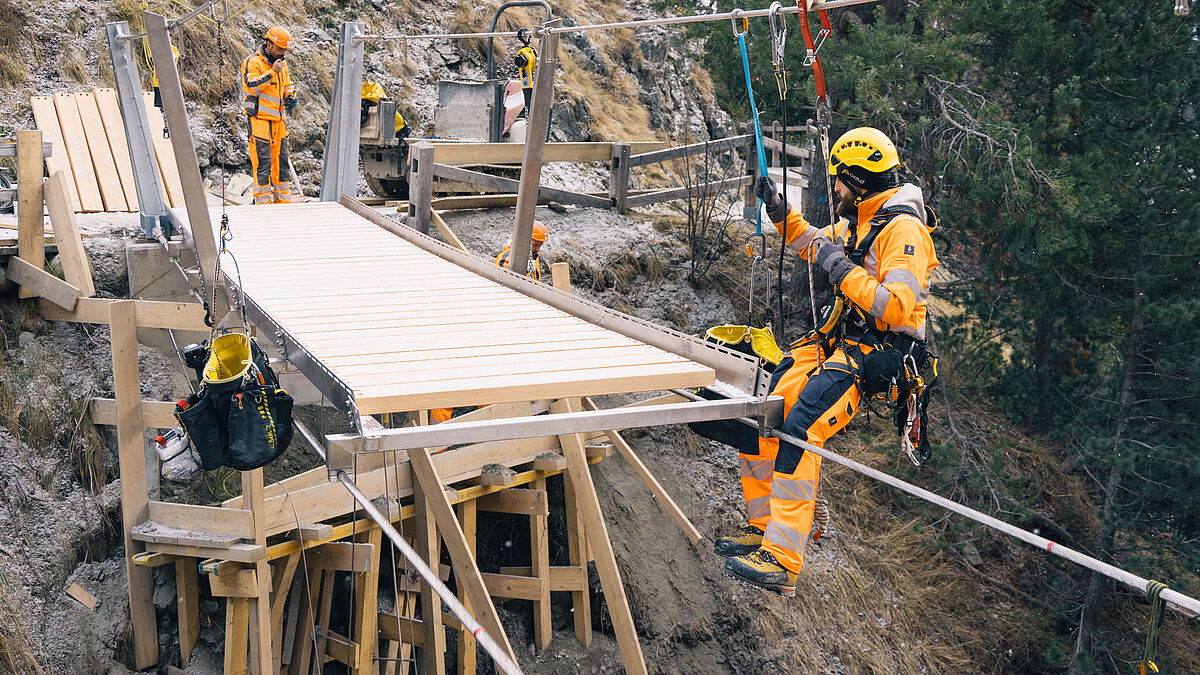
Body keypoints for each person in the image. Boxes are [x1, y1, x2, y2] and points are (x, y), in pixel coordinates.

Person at [717, 127, 939, 596]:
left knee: (801, 425)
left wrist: (843, 270)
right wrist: (779, 211)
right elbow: (813, 242)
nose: (831, 188)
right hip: (839, 343)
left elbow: (897, 307)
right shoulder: (860, 221)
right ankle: (762, 532)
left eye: (837, 180)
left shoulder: (904, 231)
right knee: (767, 408)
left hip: (878, 353)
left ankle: (783, 560)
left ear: (857, 180)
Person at [241, 26, 297, 204]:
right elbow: (251, 86)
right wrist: (273, 72)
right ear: (268, 44)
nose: (283, 53)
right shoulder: (253, 62)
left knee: (281, 163)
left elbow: (287, 83)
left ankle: (283, 202)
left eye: (285, 50)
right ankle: (263, 202)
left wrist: (291, 95)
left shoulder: (282, 63)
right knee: (263, 163)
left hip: (279, 121)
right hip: (259, 120)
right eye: (280, 49)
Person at [514, 29, 537, 116]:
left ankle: (529, 106)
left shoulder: (525, 55)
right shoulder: (524, 57)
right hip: (527, 64)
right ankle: (528, 106)